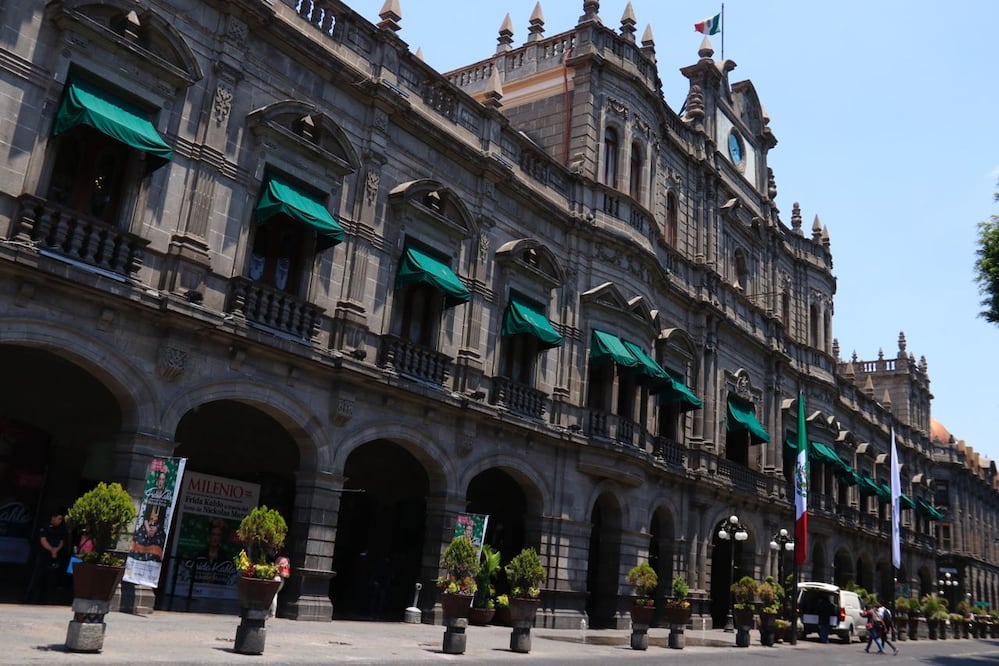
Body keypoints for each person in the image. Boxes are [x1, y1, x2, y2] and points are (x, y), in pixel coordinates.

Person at [25, 509, 67, 604]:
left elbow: (61, 542)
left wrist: (56, 550)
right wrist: (51, 549)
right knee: (36, 577)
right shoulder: (45, 527)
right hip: (43, 555)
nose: (60, 521)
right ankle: (28, 598)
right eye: (59, 519)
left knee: (49, 578)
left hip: (54, 555)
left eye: (61, 519)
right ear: (53, 518)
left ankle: (44, 599)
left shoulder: (60, 529)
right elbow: (43, 540)